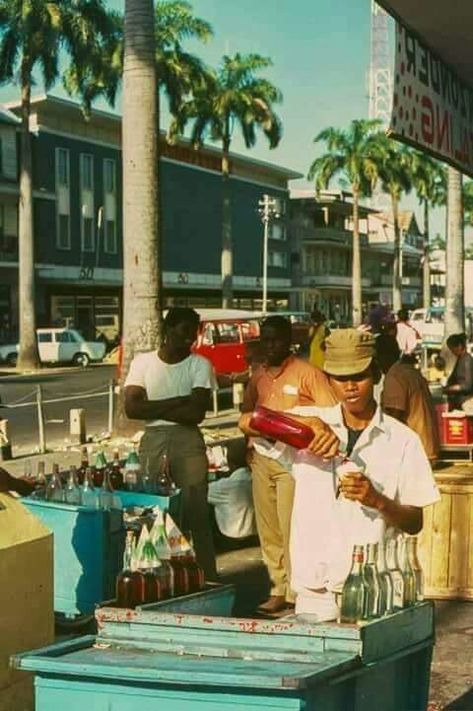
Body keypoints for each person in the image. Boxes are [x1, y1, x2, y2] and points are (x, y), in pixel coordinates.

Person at [284, 329, 439, 620]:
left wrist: (377, 500)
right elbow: (250, 421)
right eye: (340, 378)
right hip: (316, 589)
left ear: (377, 375)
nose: (350, 386)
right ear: (328, 381)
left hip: (375, 587)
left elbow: (414, 522)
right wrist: (313, 423)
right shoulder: (309, 427)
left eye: (360, 376)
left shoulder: (402, 440)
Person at [238, 315, 336, 616]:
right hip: (262, 459)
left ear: (288, 341)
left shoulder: (308, 374)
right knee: (269, 530)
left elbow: (331, 416)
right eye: (264, 339)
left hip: (294, 462)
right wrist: (249, 446)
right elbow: (247, 413)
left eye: (275, 339)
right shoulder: (259, 376)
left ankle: (298, 590)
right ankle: (277, 588)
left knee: (292, 526)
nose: (269, 345)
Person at [124, 307, 217, 580]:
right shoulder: (143, 363)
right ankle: (156, 576)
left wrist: (152, 406)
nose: (189, 339)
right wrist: (179, 400)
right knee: (154, 510)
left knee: (195, 514)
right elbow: (132, 409)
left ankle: (205, 576)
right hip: (153, 439)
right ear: (168, 330)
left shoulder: (200, 365)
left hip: (188, 440)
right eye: (183, 332)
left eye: (193, 333)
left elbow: (195, 413)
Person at [375, 334, 439, 461]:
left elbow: (393, 419)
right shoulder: (408, 371)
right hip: (427, 449)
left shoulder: (395, 376)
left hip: (415, 454)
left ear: (382, 357)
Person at [208, 439, 257, 542]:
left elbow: (203, 492)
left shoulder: (225, 486)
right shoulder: (259, 479)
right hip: (257, 535)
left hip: (231, 538)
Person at [444, 333, 473, 410]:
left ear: (459, 346)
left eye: (452, 349)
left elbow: (467, 385)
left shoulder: (467, 360)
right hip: (457, 401)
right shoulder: (460, 359)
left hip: (466, 401)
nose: (451, 352)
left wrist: (451, 388)